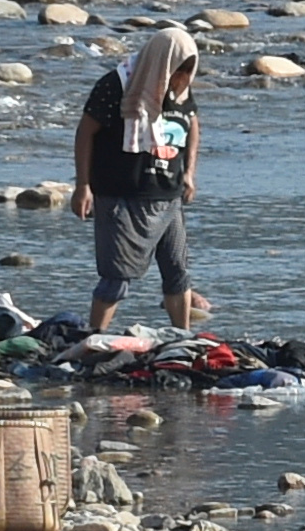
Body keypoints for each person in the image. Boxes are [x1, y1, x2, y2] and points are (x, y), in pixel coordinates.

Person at [71, 26, 210, 334]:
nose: (182, 79)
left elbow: (192, 124)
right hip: (121, 194)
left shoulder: (182, 90)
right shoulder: (117, 86)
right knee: (116, 277)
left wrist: (189, 172)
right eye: (178, 71)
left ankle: (182, 336)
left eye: (188, 71)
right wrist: (83, 185)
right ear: (163, 63)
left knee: (177, 272)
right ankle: (94, 338)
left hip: (168, 197)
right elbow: (85, 132)